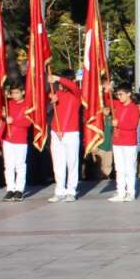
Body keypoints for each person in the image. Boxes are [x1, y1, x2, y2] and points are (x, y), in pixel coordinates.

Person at [47, 71, 81, 203]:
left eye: (67, 80)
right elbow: (45, 99)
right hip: (56, 132)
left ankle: (71, 191)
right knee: (58, 163)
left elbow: (72, 87)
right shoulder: (57, 94)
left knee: (71, 162)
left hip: (71, 132)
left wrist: (58, 78)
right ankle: (59, 190)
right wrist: (51, 99)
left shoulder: (76, 93)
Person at [109, 84, 140, 202]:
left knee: (129, 168)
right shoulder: (118, 105)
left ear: (128, 94)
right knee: (119, 168)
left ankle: (130, 192)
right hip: (117, 141)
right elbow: (107, 101)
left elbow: (133, 125)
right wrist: (107, 90)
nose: (119, 97)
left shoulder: (134, 108)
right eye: (117, 94)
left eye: (121, 94)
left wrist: (119, 124)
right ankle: (120, 191)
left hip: (129, 142)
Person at [1, 82, 30, 201]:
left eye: (17, 92)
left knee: (20, 165)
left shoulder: (28, 105)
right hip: (8, 139)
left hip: (21, 140)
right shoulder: (8, 104)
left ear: (23, 92)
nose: (14, 95)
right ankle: (10, 189)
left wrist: (13, 121)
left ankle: (19, 190)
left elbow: (28, 123)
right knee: (8, 166)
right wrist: (3, 116)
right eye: (12, 93)